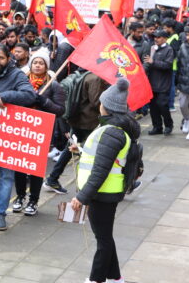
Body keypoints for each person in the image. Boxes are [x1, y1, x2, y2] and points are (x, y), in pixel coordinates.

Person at [71, 78, 140, 283]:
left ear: (107, 108)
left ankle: (96, 279)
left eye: (102, 102)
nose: (99, 105)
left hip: (102, 194)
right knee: (105, 236)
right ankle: (116, 278)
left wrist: (82, 197)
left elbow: (101, 170)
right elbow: (100, 158)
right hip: (103, 192)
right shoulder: (112, 130)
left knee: (103, 240)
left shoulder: (111, 132)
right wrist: (81, 150)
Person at [0, 45, 36, 231]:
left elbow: (29, 95)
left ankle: (1, 214)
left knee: (6, 176)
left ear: (8, 59)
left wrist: (6, 96)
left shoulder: (17, 75)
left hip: (9, 134)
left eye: (1, 58)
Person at [13, 51, 65, 217]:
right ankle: (20, 197)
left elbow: (60, 110)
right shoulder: (21, 81)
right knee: (19, 166)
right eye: (35, 62)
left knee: (35, 167)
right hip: (21, 128)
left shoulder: (54, 85)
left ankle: (33, 200)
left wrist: (44, 101)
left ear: (46, 66)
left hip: (41, 132)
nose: (37, 65)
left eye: (41, 63)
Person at [44, 71, 109, 194]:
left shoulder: (83, 74)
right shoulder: (95, 78)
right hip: (89, 122)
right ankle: (85, 186)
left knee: (70, 149)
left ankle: (52, 178)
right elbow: (96, 102)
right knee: (89, 152)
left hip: (77, 118)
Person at [144, 30, 175, 135]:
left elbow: (168, 65)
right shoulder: (152, 48)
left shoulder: (169, 50)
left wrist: (154, 62)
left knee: (162, 105)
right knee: (153, 107)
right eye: (155, 37)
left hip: (163, 83)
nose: (156, 39)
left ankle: (168, 125)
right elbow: (147, 62)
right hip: (152, 83)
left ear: (165, 38)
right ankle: (157, 127)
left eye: (159, 37)